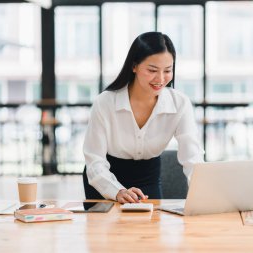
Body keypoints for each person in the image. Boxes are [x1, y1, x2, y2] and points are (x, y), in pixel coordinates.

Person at [83, 31, 204, 204]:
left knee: (150, 230)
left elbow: (192, 158)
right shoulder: (105, 102)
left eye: (168, 70)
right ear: (134, 66)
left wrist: (204, 196)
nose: (161, 79)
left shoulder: (180, 104)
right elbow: (94, 160)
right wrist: (117, 191)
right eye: (152, 70)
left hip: (148, 180)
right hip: (104, 183)